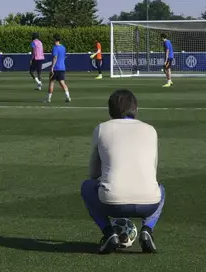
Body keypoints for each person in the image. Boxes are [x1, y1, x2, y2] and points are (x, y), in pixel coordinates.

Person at [80, 89, 164, 254]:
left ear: (110, 111)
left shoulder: (102, 128)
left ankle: (109, 232)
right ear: (136, 109)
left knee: (87, 186)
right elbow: (153, 171)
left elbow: (93, 172)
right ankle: (147, 229)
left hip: (112, 202)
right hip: (150, 202)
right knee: (161, 189)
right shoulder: (151, 130)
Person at [47, 35, 70, 103]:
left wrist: (52, 67)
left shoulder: (55, 47)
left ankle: (48, 99)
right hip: (62, 67)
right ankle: (68, 96)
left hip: (56, 68)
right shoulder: (63, 47)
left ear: (55, 40)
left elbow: (55, 58)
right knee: (62, 83)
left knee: (51, 82)